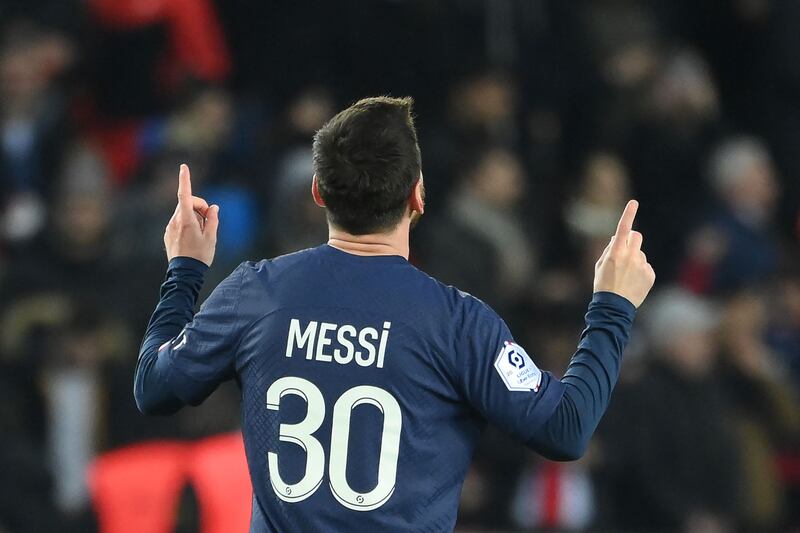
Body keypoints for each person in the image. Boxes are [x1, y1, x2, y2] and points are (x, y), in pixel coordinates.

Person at [134, 96, 655, 532]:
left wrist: (184, 269)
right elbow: (565, 428)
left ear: (319, 194)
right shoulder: (456, 322)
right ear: (417, 196)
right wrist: (611, 308)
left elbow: (153, 388)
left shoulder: (256, 293)